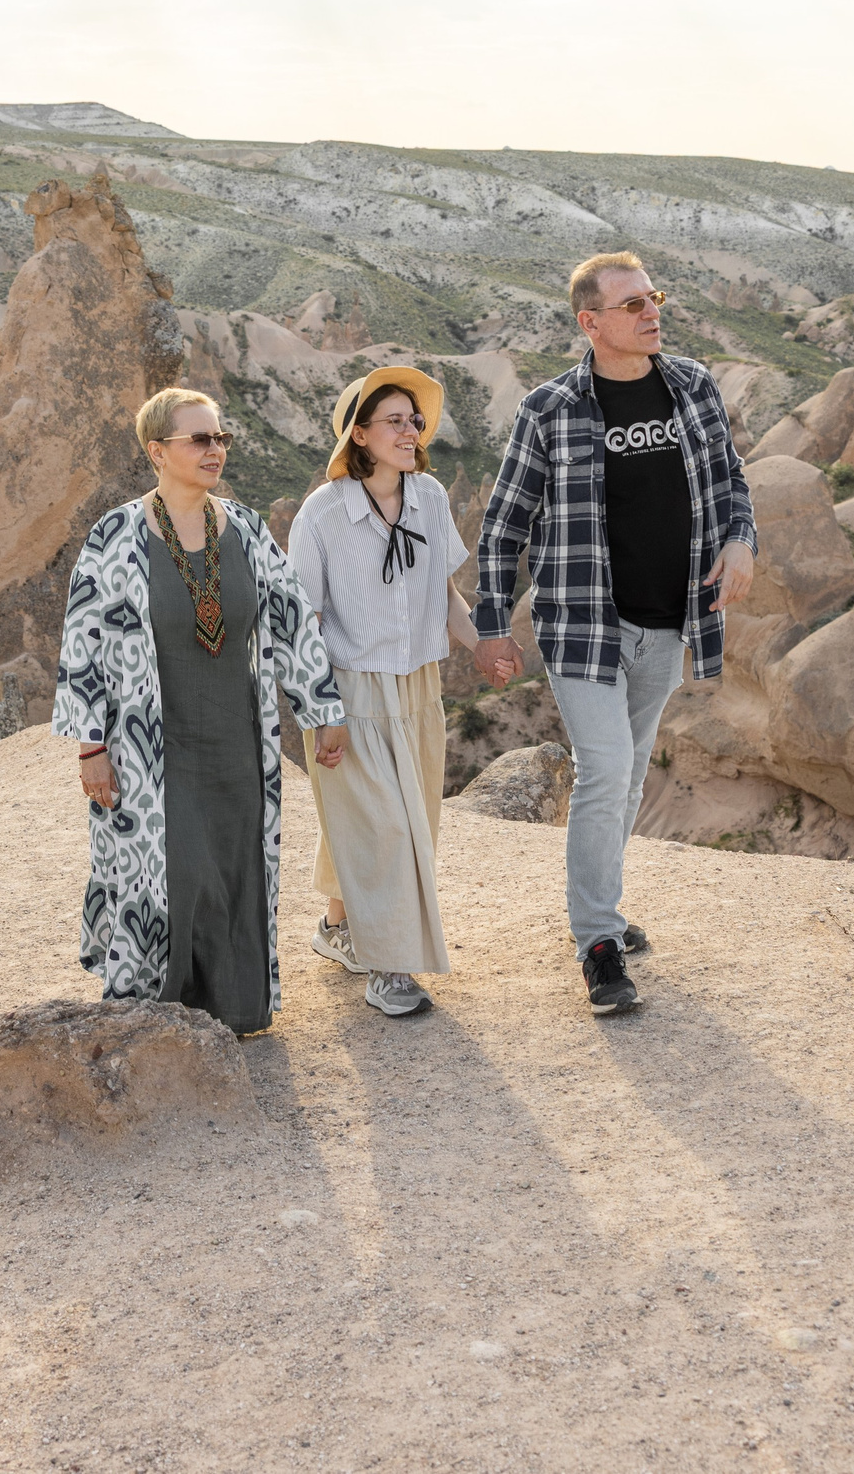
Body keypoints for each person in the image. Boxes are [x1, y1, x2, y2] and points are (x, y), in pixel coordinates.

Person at [471, 252, 757, 1015]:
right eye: (632, 304)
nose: (652, 312)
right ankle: (597, 941)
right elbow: (504, 526)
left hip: (670, 622)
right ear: (590, 323)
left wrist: (741, 542)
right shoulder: (550, 409)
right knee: (604, 771)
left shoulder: (691, 385)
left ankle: (605, 906)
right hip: (583, 627)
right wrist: (492, 627)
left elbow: (730, 480)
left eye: (653, 298)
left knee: (628, 776)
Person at [53, 388, 350, 1035]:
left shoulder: (244, 528)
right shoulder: (115, 535)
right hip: (146, 745)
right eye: (200, 440)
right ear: (158, 451)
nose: (215, 450)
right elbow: (81, 642)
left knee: (235, 867)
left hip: (238, 740)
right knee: (171, 872)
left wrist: (322, 709)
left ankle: (235, 1010)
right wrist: (91, 744)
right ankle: (152, 1017)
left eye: (221, 439)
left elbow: (293, 619)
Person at [288, 367, 475, 1018]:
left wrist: (484, 644)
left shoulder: (427, 498)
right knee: (388, 830)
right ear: (360, 436)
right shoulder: (322, 513)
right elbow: (301, 618)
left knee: (402, 821)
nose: (411, 429)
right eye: (394, 420)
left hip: (419, 687)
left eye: (414, 419)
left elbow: (443, 592)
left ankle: (338, 928)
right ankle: (388, 969)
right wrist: (322, 710)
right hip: (349, 690)